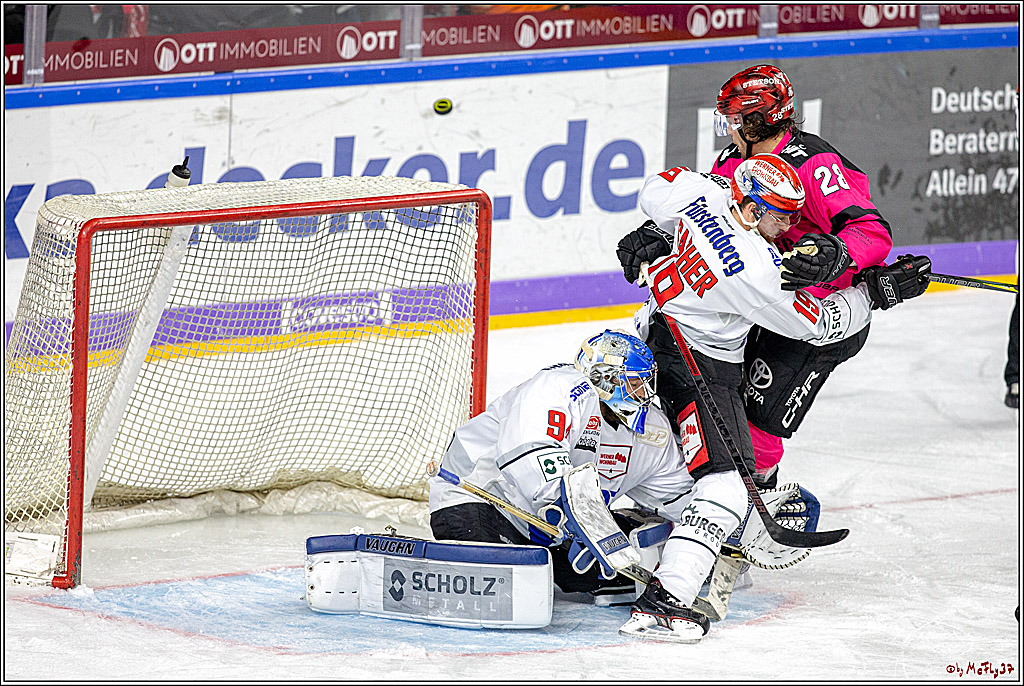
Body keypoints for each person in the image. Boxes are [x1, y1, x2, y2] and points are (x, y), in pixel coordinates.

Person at [614, 154, 931, 640]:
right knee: (725, 485)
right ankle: (664, 602)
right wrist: (874, 292)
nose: (789, 227)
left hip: (653, 336)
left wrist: (664, 232)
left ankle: (657, 537)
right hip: (697, 367)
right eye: (780, 215)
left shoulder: (702, 195)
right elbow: (821, 325)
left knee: (676, 467)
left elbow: (656, 189)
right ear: (749, 208)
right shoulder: (756, 272)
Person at [429, 330, 744, 642]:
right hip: (476, 499)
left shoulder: (651, 430)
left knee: (598, 572)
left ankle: (553, 560)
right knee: (509, 587)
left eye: (646, 383)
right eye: (635, 382)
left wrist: (731, 523)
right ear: (606, 378)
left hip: (550, 529)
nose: (645, 392)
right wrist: (584, 522)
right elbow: (532, 461)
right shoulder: (557, 388)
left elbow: (682, 497)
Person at [707, 64, 896, 487]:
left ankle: (754, 512)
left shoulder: (813, 163)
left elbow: (873, 232)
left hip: (821, 317)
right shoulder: (734, 158)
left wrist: (837, 253)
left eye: (735, 120)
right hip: (769, 301)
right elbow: (713, 214)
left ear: (759, 119)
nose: (728, 130)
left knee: (758, 424)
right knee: (720, 403)